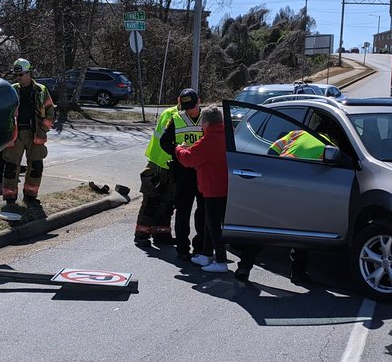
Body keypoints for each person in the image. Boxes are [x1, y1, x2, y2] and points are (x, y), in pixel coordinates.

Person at [234, 112, 341, 285]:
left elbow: (272, 151)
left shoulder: (296, 133)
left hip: (278, 185)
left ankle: (244, 267)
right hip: (300, 190)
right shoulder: (328, 144)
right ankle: (298, 274)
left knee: (263, 230)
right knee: (302, 233)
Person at [134, 87, 203, 250]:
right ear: (178, 101)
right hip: (159, 164)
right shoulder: (171, 115)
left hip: (175, 166)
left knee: (169, 201)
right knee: (152, 200)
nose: (188, 109)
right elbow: (165, 141)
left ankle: (161, 233)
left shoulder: (195, 117)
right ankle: (142, 234)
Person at [175, 104, 229, 272]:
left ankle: (221, 261)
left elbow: (189, 159)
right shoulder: (229, 135)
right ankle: (205, 255)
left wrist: (179, 149)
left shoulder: (209, 139)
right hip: (228, 188)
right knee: (209, 222)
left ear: (205, 123)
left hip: (213, 188)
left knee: (214, 226)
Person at [0, 57, 55, 205]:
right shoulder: (11, 90)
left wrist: (43, 127)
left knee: (36, 166)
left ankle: (30, 196)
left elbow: (50, 111)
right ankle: (10, 198)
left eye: (21, 74)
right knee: (11, 167)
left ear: (29, 73)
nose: (19, 78)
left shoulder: (41, 90)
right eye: (17, 75)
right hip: (16, 136)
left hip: (35, 135)